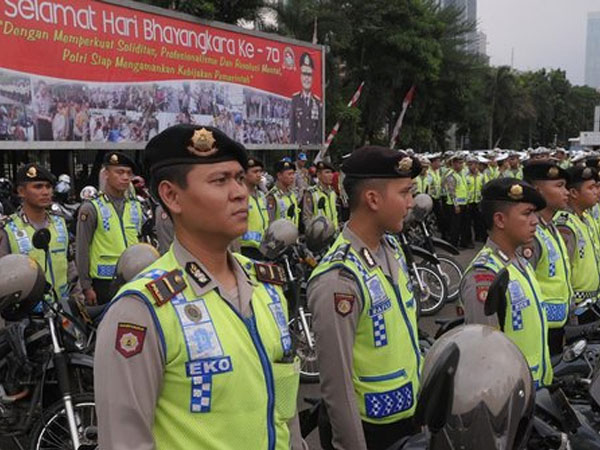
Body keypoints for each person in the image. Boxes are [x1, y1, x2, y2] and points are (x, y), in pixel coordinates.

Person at [94, 125, 304, 450]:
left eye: (238, 178)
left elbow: (284, 412)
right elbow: (125, 442)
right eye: (220, 181)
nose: (240, 192)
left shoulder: (266, 286)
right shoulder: (143, 309)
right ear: (171, 196)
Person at [307, 146, 422, 450]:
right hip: (371, 432)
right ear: (372, 199)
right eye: (404, 193)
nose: (411, 203)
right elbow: (337, 386)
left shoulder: (391, 249)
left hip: (408, 419)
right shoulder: (339, 279)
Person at [459, 178, 553, 389]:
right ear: (500, 220)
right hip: (511, 394)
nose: (535, 221)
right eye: (527, 213)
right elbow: (484, 354)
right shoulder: (484, 276)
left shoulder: (520, 262)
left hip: (535, 387)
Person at [0, 163, 82, 305]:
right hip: (26, 314)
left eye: (48, 187)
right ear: (21, 191)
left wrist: (78, 299)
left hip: (63, 309)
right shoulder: (8, 229)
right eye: (38, 187)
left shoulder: (60, 223)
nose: (45, 192)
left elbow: (70, 265)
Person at [76, 151, 143, 305]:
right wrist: (86, 286)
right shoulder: (91, 208)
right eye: (119, 172)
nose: (125, 177)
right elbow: (82, 248)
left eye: (128, 173)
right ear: (106, 174)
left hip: (133, 276)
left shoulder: (135, 206)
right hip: (103, 281)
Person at [522, 161, 573, 353]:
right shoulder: (530, 233)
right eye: (559, 186)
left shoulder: (550, 226)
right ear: (537, 190)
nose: (566, 192)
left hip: (556, 324)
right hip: (540, 327)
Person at [555, 166, 600, 323]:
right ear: (573, 193)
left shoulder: (585, 218)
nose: (597, 191)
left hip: (592, 302)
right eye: (591, 188)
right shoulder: (565, 225)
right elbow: (563, 270)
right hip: (578, 307)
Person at [238, 157, 270, 259]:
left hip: (262, 249)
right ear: (244, 174)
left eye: (260, 171)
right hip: (245, 249)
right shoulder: (239, 196)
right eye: (255, 171)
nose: (259, 175)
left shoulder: (261, 196)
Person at [290, 53, 323, 145]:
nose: (307, 78)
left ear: (312, 77)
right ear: (300, 76)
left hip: (313, 146)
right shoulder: (295, 100)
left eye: (309, 75)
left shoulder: (317, 102)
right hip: (298, 147)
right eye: (304, 74)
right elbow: (293, 129)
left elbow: (319, 129)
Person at [302, 161, 339, 231]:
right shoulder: (311, 192)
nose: (331, 175)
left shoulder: (333, 192)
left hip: (335, 233)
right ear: (319, 175)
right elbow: (306, 217)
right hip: (320, 235)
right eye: (327, 172)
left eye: (331, 172)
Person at [444, 154, 471, 249]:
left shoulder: (463, 174)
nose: (461, 165)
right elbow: (452, 192)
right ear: (454, 164)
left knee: (464, 225)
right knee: (455, 226)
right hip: (455, 205)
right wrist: (456, 205)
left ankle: (464, 243)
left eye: (461, 163)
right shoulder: (451, 176)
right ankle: (454, 244)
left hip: (464, 203)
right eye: (459, 163)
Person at [267, 160, 301, 228]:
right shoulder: (273, 196)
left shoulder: (292, 194)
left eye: (293, 174)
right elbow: (270, 221)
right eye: (289, 174)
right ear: (279, 175)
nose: (292, 177)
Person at [465, 156, 484, 243]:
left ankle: (478, 236)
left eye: (475, 164)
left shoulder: (481, 176)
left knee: (478, 221)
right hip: (468, 202)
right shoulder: (466, 177)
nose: (473, 166)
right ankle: (469, 239)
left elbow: (483, 187)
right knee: (468, 222)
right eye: (471, 164)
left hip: (478, 201)